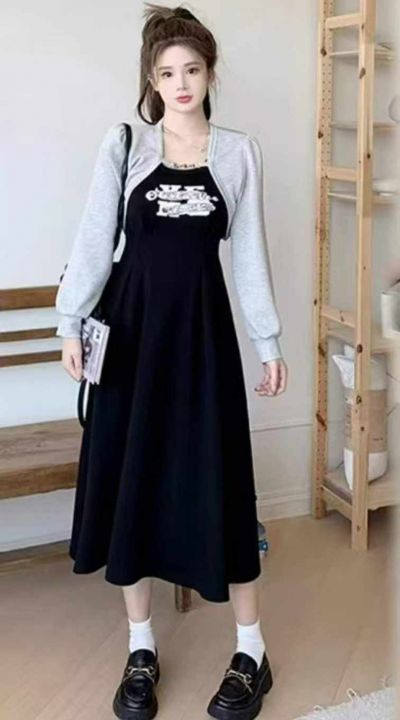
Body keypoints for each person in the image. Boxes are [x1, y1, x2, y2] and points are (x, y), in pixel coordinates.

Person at [55, 3, 288, 719]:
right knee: (133, 483)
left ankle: (251, 650)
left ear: (210, 73)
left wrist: (268, 340)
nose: (180, 83)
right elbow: (95, 238)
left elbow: (248, 255)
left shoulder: (239, 153)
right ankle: (141, 649)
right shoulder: (126, 144)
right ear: (151, 81)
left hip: (201, 341)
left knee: (221, 482)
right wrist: (70, 322)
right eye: (166, 73)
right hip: (131, 340)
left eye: (191, 69)